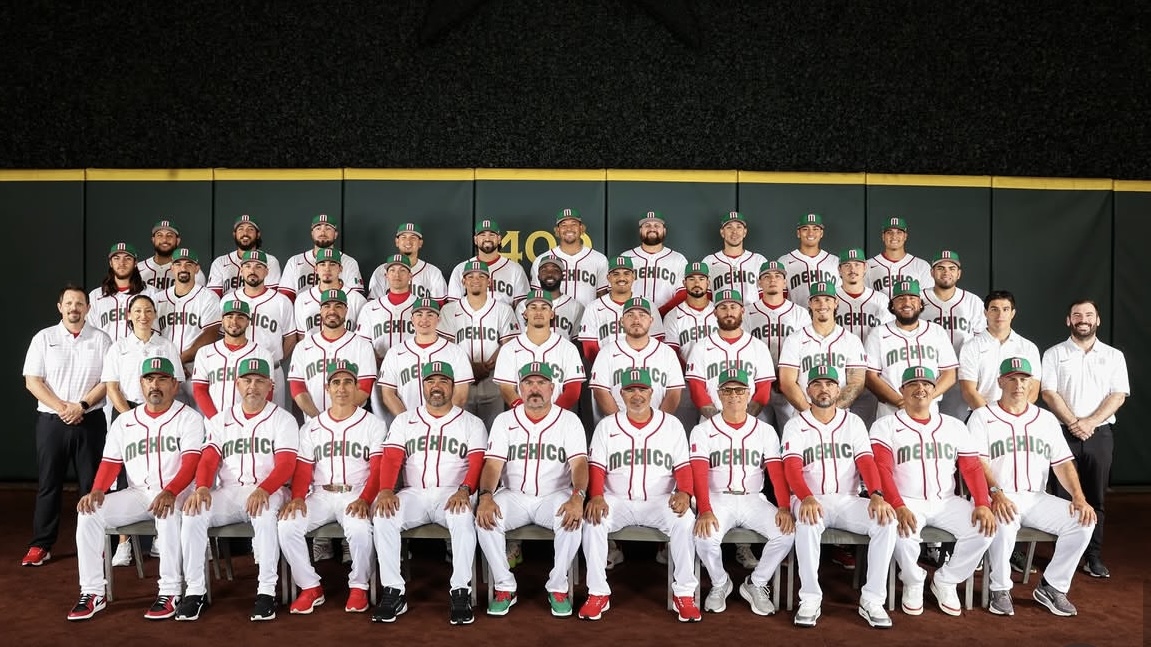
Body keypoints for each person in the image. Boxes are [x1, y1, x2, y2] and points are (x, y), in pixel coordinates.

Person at [67, 357, 204, 621]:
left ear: (175, 385)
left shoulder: (189, 418)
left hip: (178, 492)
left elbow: (191, 464)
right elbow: (110, 462)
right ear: (141, 384)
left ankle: (170, 591)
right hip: (138, 493)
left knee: (167, 511)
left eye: (162, 379)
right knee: (89, 513)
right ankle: (92, 592)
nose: (155, 385)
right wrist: (98, 489)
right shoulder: (125, 421)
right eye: (149, 379)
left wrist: (171, 491)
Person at [969, 357, 1097, 616]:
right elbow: (978, 464)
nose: (1018, 385)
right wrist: (996, 494)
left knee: (1083, 521)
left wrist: (1078, 497)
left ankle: (1052, 586)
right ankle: (999, 588)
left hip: (1036, 498)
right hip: (998, 495)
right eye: (1012, 379)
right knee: (1004, 520)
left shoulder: (1045, 419)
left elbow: (1063, 463)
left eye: (1024, 379)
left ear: (1031, 384)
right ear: (1000, 382)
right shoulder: (982, 416)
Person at [175, 358, 299, 622]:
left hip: (270, 490)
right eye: (247, 380)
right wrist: (202, 487)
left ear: (270, 385)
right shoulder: (220, 420)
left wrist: (264, 490)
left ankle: (266, 592)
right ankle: (195, 591)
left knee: (264, 515)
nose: (252, 386)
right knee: (193, 513)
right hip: (229, 491)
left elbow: (287, 465)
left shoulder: (283, 419)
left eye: (259, 381)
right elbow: (209, 459)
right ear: (237, 384)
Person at [870, 366, 997, 616]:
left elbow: (971, 467)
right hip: (907, 500)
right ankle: (913, 581)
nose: (921, 389)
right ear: (902, 390)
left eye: (926, 384)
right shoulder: (885, 426)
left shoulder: (954, 426)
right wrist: (898, 505)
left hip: (947, 501)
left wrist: (982, 502)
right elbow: (882, 470)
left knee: (985, 530)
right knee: (900, 533)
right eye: (913, 384)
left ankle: (946, 580)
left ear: (934, 390)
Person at [781, 365, 897, 629]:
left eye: (830, 384)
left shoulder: (853, 422)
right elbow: (791, 468)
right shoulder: (795, 425)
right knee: (808, 522)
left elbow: (866, 462)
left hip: (848, 499)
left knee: (886, 521)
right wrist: (806, 497)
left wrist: (876, 494)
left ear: (838, 389)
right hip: (809, 498)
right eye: (817, 384)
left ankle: (872, 600)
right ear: (808, 390)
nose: (824, 389)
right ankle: (810, 598)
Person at [580, 368, 699, 622]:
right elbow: (596, 467)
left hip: (660, 500)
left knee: (686, 520)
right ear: (621, 393)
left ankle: (684, 594)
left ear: (651, 392)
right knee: (593, 522)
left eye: (642, 389)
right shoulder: (606, 426)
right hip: (617, 500)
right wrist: (596, 495)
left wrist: (685, 492)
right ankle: (597, 593)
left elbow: (683, 467)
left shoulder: (671, 425)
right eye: (630, 390)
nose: (637, 395)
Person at [373, 362, 487, 624]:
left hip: (453, 493)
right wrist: (386, 490)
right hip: (414, 493)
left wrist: (465, 490)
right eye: (431, 381)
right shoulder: (404, 420)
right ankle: (394, 591)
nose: (436, 386)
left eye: (443, 381)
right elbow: (391, 458)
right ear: (422, 386)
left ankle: (460, 590)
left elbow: (477, 463)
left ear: (453, 386)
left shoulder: (472, 423)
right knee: (383, 515)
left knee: (462, 517)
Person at [475, 362, 589, 618]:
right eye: (528, 383)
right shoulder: (504, 421)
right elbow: (492, 465)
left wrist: (578, 496)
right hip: (514, 495)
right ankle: (505, 586)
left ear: (552, 388)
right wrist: (486, 496)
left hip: (554, 495)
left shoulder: (569, 421)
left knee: (572, 520)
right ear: (519, 389)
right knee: (485, 519)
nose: (534, 388)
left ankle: (558, 586)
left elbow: (580, 464)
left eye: (540, 383)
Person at [279, 359, 389, 616]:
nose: (342, 388)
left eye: (348, 382)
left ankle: (359, 586)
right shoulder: (311, 427)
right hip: (320, 494)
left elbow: (378, 469)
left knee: (360, 530)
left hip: (357, 492)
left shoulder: (373, 424)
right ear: (327, 388)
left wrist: (365, 499)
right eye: (336, 382)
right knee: (286, 525)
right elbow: (304, 469)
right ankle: (310, 587)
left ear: (357, 387)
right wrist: (297, 497)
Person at [690, 368, 795, 617]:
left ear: (749, 394)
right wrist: (704, 509)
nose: (733, 395)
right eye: (727, 390)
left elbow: (776, 473)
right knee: (704, 538)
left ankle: (756, 583)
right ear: (718, 395)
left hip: (753, 498)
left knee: (786, 533)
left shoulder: (765, 430)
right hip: (717, 498)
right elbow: (698, 474)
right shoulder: (703, 430)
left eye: (739, 390)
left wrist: (783, 507)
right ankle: (720, 582)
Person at [22, 285, 112, 567]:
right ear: (60, 307)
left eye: (80, 303)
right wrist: (64, 408)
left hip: (90, 420)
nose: (74, 308)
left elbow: (108, 381)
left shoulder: (101, 339)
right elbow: (32, 381)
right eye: (69, 303)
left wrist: (81, 406)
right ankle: (41, 545)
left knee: (92, 484)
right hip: (52, 422)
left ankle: (95, 544)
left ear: (88, 308)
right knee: (49, 484)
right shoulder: (44, 338)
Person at [1040, 300, 1129, 579]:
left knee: (1096, 497)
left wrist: (1089, 423)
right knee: (1062, 498)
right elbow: (1048, 393)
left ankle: (1093, 556)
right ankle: (1063, 557)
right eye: (1077, 315)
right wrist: (1073, 422)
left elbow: (1118, 395)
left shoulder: (1114, 356)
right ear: (1069, 320)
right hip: (1062, 433)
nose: (1083, 319)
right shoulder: (1054, 353)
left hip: (1099, 434)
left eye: (1089, 315)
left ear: (1097, 320)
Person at [438, 260, 520, 427]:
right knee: (463, 433)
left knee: (493, 433)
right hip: (460, 387)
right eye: (470, 276)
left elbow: (509, 345)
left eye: (481, 276)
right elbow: (446, 346)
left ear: (489, 281)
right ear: (463, 281)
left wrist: (485, 367)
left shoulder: (503, 309)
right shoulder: (449, 310)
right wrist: (468, 368)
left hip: (493, 385)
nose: (476, 280)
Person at [864, 279, 958, 420]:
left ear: (920, 304)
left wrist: (924, 400)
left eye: (912, 298)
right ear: (892, 305)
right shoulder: (878, 333)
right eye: (900, 298)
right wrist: (900, 402)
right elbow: (870, 377)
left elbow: (949, 374)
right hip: (891, 412)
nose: (907, 303)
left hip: (930, 411)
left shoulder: (936, 331)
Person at [777, 282, 868, 420]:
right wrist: (810, 413)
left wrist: (832, 413)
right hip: (803, 417)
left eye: (827, 299)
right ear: (810, 303)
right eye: (817, 300)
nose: (822, 304)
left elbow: (856, 382)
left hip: (840, 418)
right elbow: (787, 382)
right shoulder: (794, 339)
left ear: (836, 302)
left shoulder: (851, 340)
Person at [588, 298, 684, 425]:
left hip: (658, 427)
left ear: (651, 320)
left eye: (642, 315)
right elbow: (600, 392)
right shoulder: (606, 353)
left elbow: (674, 392)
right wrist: (621, 424)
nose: (636, 320)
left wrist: (658, 423)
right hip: (615, 427)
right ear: (621, 321)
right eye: (630, 315)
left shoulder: (667, 353)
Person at [685, 288, 776, 423]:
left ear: (742, 311)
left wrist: (743, 420)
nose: (728, 313)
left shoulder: (758, 347)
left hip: (751, 421)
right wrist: (720, 422)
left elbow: (763, 389)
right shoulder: (701, 347)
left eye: (733, 307)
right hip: (711, 422)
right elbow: (696, 389)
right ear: (715, 313)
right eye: (723, 308)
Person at [222, 250, 298, 408]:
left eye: (258, 266)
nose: (252, 270)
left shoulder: (281, 301)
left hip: (272, 371)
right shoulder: (228, 300)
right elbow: (221, 336)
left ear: (267, 272)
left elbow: (291, 338)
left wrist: (274, 360)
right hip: (236, 372)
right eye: (248, 266)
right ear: (241, 270)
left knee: (272, 418)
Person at [378, 298, 473, 422]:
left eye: (430, 314)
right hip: (408, 424)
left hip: (447, 424)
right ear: (412, 319)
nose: (424, 319)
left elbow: (461, 395)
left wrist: (443, 421)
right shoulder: (395, 352)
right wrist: (408, 421)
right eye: (419, 314)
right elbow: (388, 395)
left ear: (438, 319)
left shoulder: (456, 351)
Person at [287, 289, 377, 420]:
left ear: (346, 310)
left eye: (338, 306)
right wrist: (319, 420)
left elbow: (364, 388)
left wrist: (340, 416)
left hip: (353, 422)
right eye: (327, 306)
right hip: (314, 423)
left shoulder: (362, 345)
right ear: (320, 311)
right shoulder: (302, 347)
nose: (332, 311)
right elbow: (297, 388)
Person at [744, 261, 812, 431]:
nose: (772, 280)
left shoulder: (800, 313)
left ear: (785, 282)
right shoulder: (747, 313)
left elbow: (806, 351)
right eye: (767, 276)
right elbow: (743, 350)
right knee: (757, 433)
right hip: (757, 384)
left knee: (792, 431)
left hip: (790, 385)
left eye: (777, 276)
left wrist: (788, 379)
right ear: (759, 283)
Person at [919, 251, 986, 420]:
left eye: (952, 268)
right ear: (932, 272)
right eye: (940, 268)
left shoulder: (972, 302)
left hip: (961, 376)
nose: (946, 272)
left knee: (957, 426)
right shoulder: (917, 299)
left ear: (959, 273)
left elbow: (981, 343)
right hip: (926, 374)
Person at [494, 290, 585, 410]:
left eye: (544, 308)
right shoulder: (509, 349)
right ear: (525, 314)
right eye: (533, 307)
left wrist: (553, 414)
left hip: (559, 416)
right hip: (520, 416)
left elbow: (573, 390)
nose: (538, 312)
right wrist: (525, 413)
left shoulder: (568, 348)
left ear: (552, 314)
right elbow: (506, 388)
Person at [154, 248, 222, 407]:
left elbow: (211, 334)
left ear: (197, 268)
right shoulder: (158, 299)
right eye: (178, 264)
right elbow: (153, 337)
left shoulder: (208, 297)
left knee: (203, 416)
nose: (183, 268)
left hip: (197, 368)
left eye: (189, 264)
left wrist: (179, 361)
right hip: (167, 369)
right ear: (172, 268)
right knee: (169, 417)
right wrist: (173, 364)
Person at [190, 299, 275, 420]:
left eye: (240, 317)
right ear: (222, 320)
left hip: (249, 423)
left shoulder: (262, 354)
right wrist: (216, 420)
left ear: (248, 322)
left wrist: (251, 420)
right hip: (214, 424)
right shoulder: (205, 352)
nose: (234, 321)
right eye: (229, 317)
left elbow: (267, 393)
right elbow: (199, 390)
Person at [834, 247, 891, 427]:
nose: (852, 269)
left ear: (865, 267)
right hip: (838, 372)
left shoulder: (881, 300)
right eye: (847, 265)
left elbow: (888, 339)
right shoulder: (829, 298)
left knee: (869, 429)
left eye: (857, 264)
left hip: (871, 375)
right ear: (839, 270)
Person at [958, 290, 1042, 410]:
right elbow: (969, 391)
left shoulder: (1029, 347)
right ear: (985, 313)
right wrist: (992, 416)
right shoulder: (971, 347)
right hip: (981, 415)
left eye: (1005, 309)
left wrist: (1015, 414)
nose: (1000, 315)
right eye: (994, 309)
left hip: (1019, 416)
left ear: (1012, 313)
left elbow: (1033, 390)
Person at [577, 256, 666, 364]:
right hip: (605, 368)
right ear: (608, 278)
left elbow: (657, 342)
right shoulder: (593, 307)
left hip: (642, 368)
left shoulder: (649, 305)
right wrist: (604, 367)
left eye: (626, 273)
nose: (621, 278)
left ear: (633, 276)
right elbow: (589, 348)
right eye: (616, 274)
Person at [528, 208, 609, 306]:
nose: (569, 229)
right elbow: (537, 297)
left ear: (581, 228)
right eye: (564, 225)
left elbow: (602, 297)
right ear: (557, 230)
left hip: (587, 315)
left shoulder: (599, 259)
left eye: (573, 224)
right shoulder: (541, 260)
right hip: (554, 315)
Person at [278, 213, 365, 300]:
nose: (323, 232)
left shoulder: (349, 262)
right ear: (312, 233)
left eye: (328, 229)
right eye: (318, 228)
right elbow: (286, 298)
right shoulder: (294, 261)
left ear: (335, 234)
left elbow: (354, 298)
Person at [619, 211, 688, 315]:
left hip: (667, 317)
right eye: (647, 225)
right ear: (640, 230)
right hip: (632, 318)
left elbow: (683, 293)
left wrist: (661, 313)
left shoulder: (678, 259)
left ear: (664, 230)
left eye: (657, 225)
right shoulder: (626, 257)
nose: (652, 228)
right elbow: (616, 291)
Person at [447, 219, 529, 306]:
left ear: (499, 239)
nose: (487, 238)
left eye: (492, 235)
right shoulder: (460, 269)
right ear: (475, 240)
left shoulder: (515, 269)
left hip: (504, 314)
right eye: (482, 235)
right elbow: (453, 306)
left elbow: (522, 306)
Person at [88, 242, 156, 342]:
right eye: (116, 258)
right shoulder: (95, 296)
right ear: (110, 263)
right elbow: (89, 333)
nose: (122, 263)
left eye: (127, 258)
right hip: (105, 351)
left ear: (135, 263)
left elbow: (157, 330)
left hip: (140, 351)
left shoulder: (151, 293)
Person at [293, 248, 367, 338]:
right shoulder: (302, 299)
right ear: (316, 269)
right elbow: (301, 337)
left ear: (340, 269)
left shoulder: (357, 300)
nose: (327, 269)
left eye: (332, 264)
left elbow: (362, 338)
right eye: (322, 264)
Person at [369, 223, 448, 302]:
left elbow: (439, 305)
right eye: (403, 237)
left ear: (420, 243)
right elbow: (373, 305)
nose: (408, 242)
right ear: (397, 241)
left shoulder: (433, 272)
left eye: (413, 238)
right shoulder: (381, 271)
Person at [207, 214, 283, 296]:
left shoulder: (269, 261)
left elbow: (271, 296)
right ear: (234, 234)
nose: (245, 233)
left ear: (258, 234)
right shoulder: (220, 262)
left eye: (250, 229)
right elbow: (213, 296)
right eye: (241, 229)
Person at [703, 211, 767, 305]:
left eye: (739, 227)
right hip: (722, 313)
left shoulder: (759, 260)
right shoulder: (708, 261)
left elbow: (766, 295)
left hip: (753, 313)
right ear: (722, 232)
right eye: (729, 227)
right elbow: (705, 298)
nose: (734, 231)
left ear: (745, 232)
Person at [515, 255, 584, 340]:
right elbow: (519, 340)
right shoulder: (523, 305)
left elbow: (577, 342)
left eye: (555, 270)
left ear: (563, 276)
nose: (550, 274)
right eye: (544, 270)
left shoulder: (576, 307)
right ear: (538, 276)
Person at [779, 213, 839, 308]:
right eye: (805, 229)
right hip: (795, 316)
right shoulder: (784, 261)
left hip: (827, 315)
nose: (811, 233)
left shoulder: (835, 261)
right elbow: (779, 297)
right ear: (798, 233)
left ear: (821, 233)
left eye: (815, 229)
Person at [866, 217, 933, 297]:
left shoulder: (922, 266)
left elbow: (926, 299)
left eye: (899, 232)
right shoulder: (867, 265)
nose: (894, 236)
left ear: (905, 236)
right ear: (883, 236)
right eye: (889, 232)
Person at [137, 220, 206, 291]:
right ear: (153, 240)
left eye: (169, 235)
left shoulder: (191, 271)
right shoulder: (138, 269)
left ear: (177, 241)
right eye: (159, 235)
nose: (164, 240)